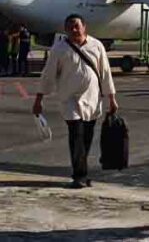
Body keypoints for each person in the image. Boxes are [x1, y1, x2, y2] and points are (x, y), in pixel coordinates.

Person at [31, 14, 119, 189]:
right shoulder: (59, 48)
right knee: (76, 135)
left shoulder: (96, 46)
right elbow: (48, 75)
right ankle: (79, 175)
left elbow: (105, 73)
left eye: (76, 26)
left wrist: (112, 99)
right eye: (69, 27)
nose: (73, 30)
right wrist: (39, 99)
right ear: (65, 30)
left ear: (84, 27)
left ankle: (82, 171)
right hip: (69, 100)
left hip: (92, 99)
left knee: (86, 137)